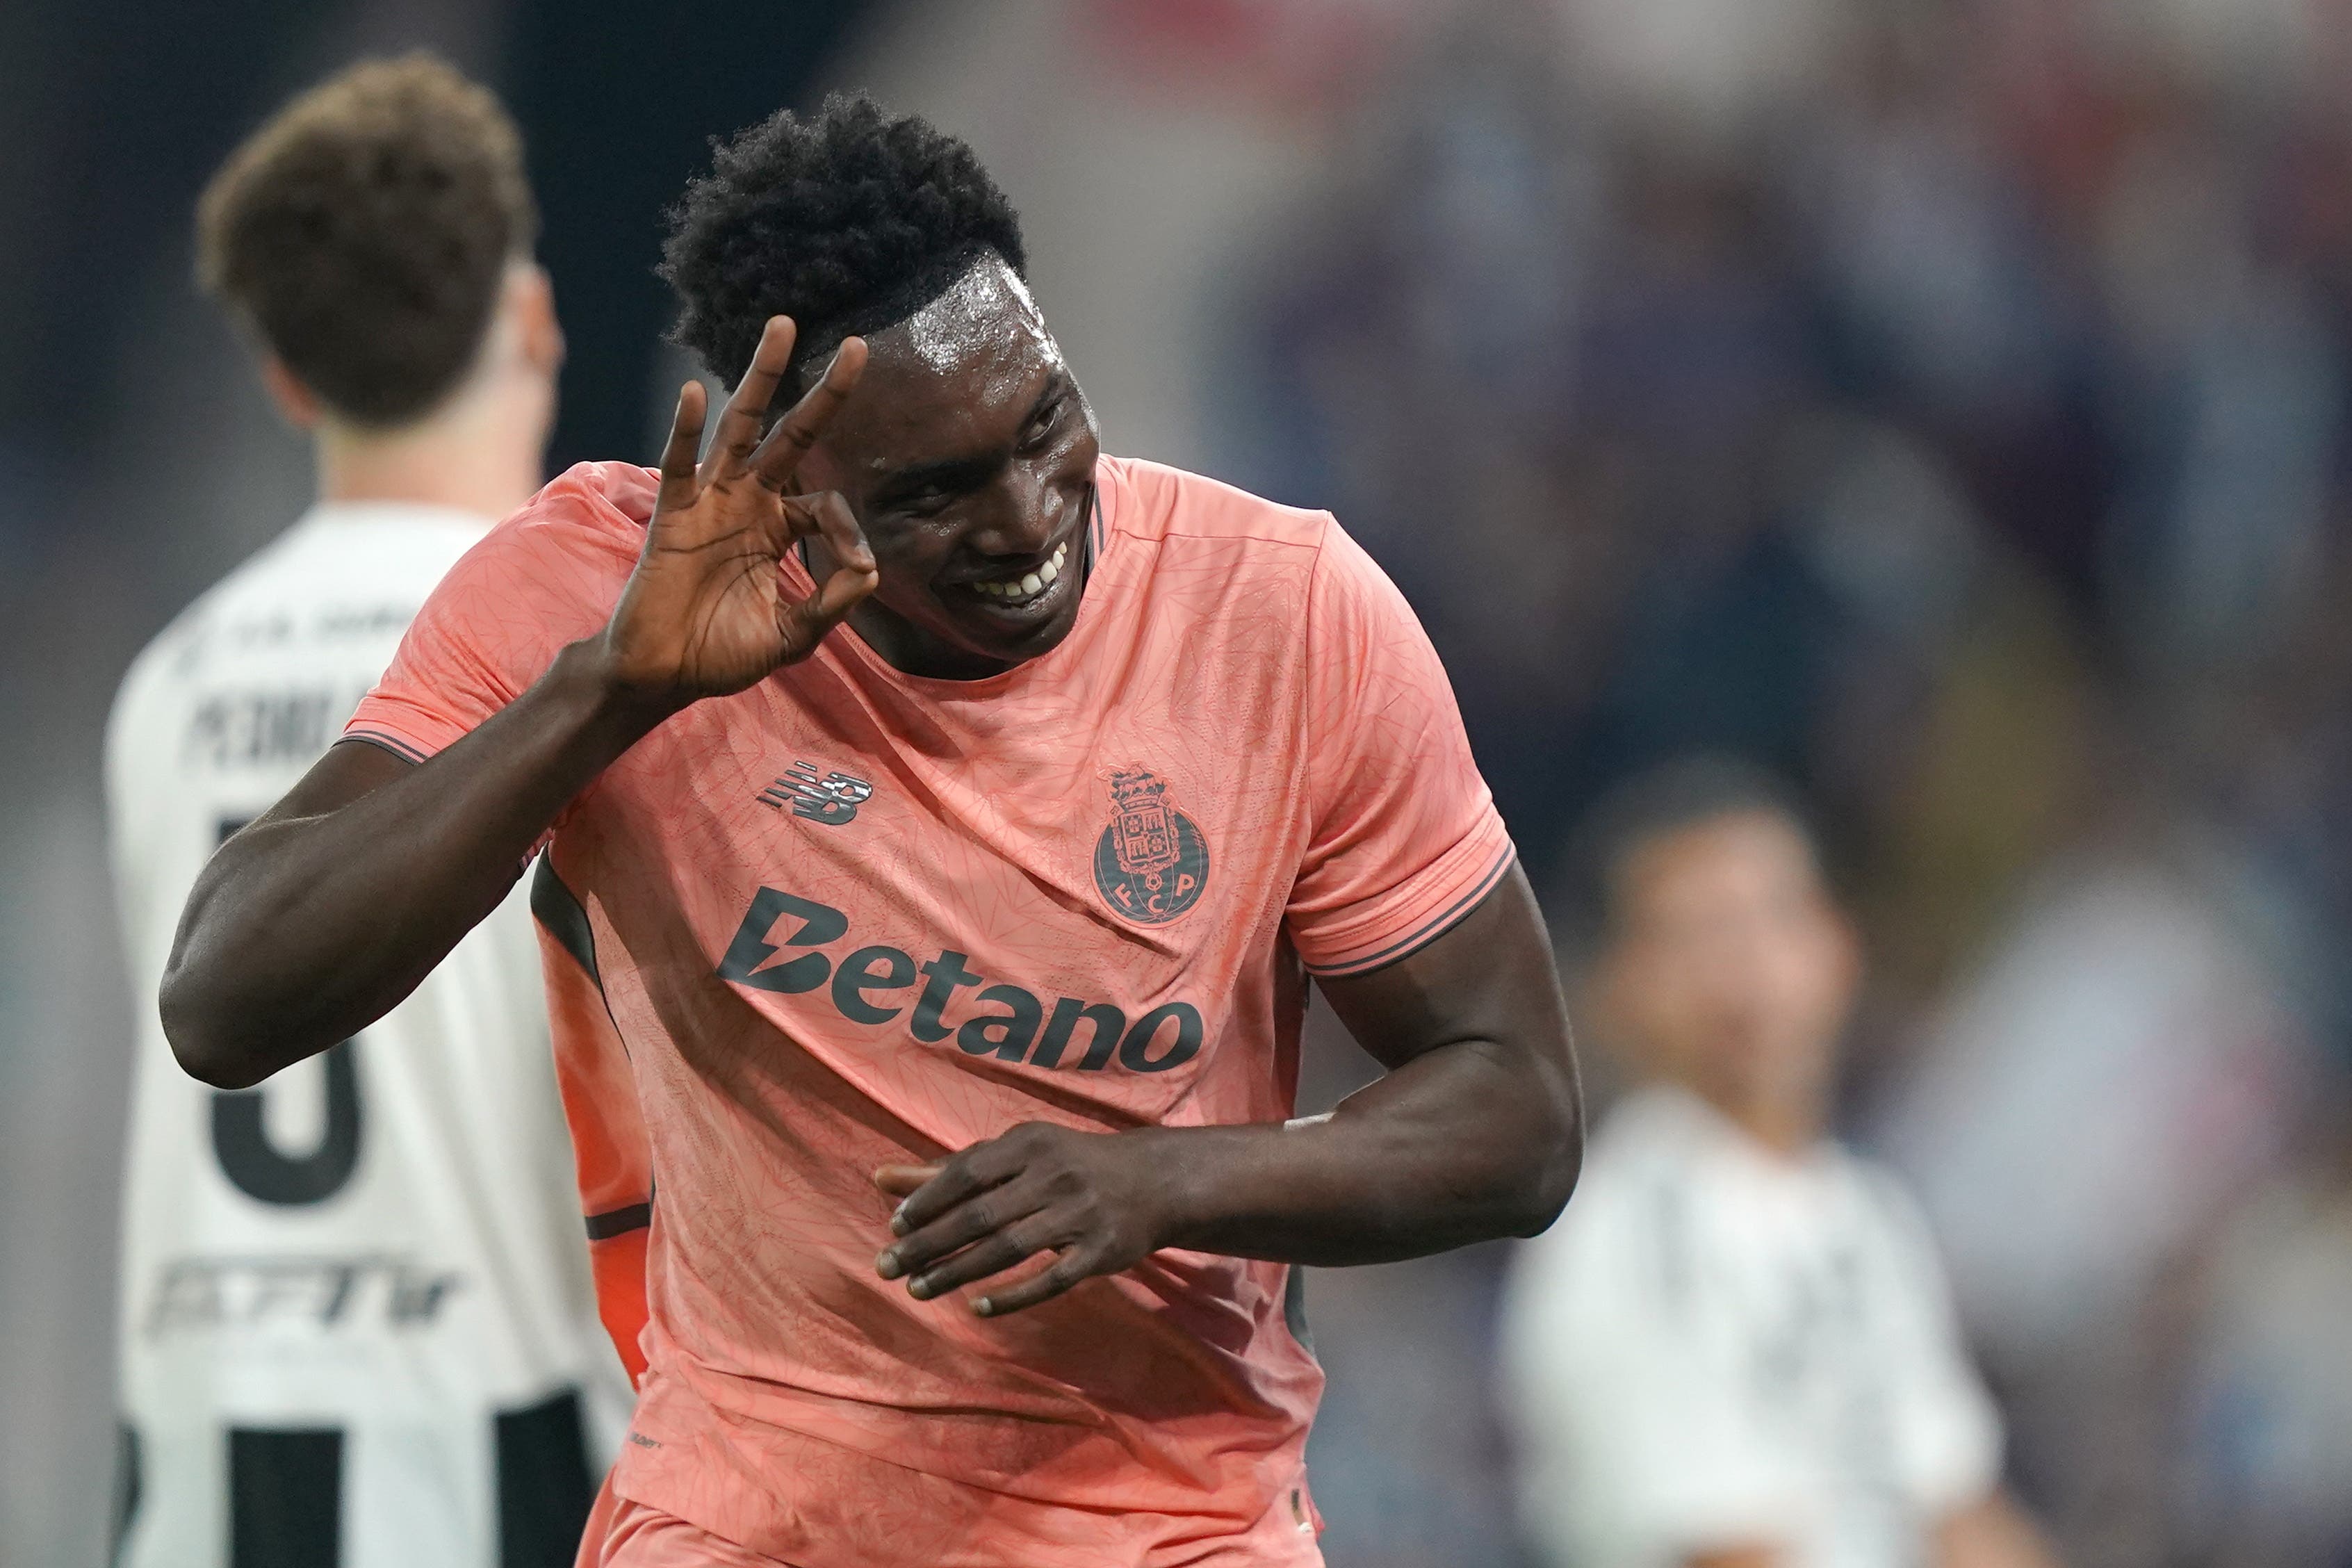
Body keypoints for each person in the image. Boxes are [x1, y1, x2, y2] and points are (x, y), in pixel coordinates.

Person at [157, 93, 1584, 1567]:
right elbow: (224, 1000)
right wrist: (611, 694)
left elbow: (1518, 1112)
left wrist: (1166, 1180)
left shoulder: (1283, 614)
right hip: (740, 1519)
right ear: (785, 487)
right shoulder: (600, 592)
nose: (1028, 520)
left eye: (1045, 424)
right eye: (932, 494)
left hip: (1171, 1527)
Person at [106, 56, 629, 1568]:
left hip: (197, 1452)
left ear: (285, 376)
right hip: (497, 1433)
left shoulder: (170, 681)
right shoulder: (584, 656)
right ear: (532, 318)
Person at [1498, 758, 2057, 1568]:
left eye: (1773, 917)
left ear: (1839, 947)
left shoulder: (1864, 1213)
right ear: (1615, 992)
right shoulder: (1629, 1229)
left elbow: (1960, 1510)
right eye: (1696, 936)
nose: (1747, 969)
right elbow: (1727, 1550)